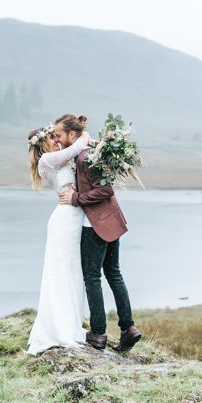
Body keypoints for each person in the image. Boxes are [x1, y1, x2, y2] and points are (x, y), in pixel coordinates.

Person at [56, 114, 142, 352]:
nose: (57, 138)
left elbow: (105, 189)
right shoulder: (88, 151)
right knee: (114, 274)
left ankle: (98, 334)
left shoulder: (84, 158)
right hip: (112, 220)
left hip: (94, 226)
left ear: (72, 135)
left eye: (60, 135)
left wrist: (76, 198)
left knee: (92, 277)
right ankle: (128, 328)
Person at [25, 118, 91, 354]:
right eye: (51, 138)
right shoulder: (46, 160)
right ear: (42, 144)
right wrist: (83, 133)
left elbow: (80, 152)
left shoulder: (61, 157)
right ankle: (60, 330)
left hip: (74, 219)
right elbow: (79, 147)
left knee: (74, 274)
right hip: (64, 221)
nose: (56, 140)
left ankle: (72, 327)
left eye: (56, 136)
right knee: (61, 274)